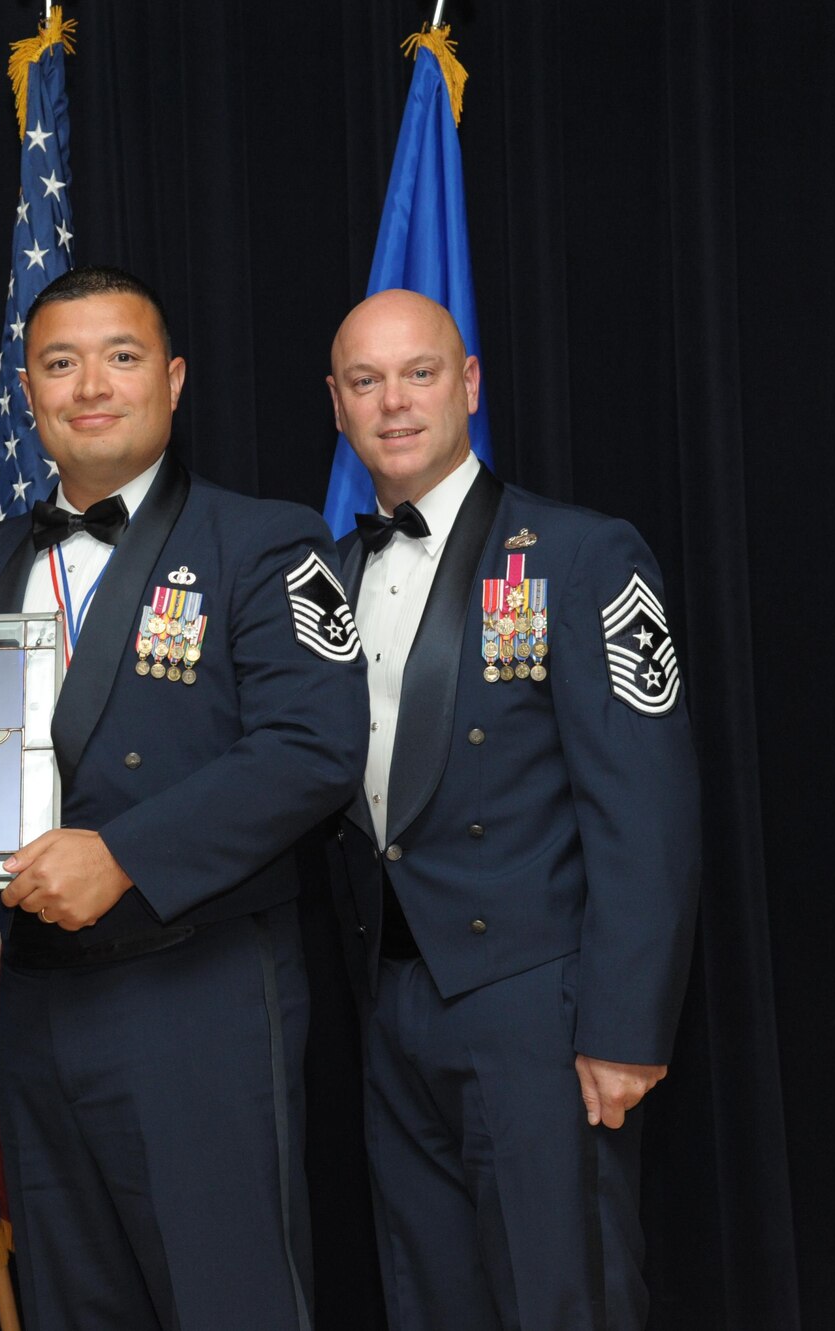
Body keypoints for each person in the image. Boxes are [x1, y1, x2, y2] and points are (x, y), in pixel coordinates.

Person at [0, 265, 369, 1329]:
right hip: (35, 1000)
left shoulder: (266, 541)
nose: (90, 383)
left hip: (200, 994)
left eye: (121, 356)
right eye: (58, 362)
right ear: (28, 392)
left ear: (173, 381)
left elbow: (312, 749)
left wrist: (125, 852)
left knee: (225, 1299)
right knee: (71, 1302)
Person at [322, 289, 700, 1330]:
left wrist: (625, 1024)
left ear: (469, 383)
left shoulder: (580, 555)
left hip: (540, 1006)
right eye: (365, 380)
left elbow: (646, 807)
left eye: (419, 373)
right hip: (388, 995)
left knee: (560, 1295)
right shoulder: (325, 576)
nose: (392, 402)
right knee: (428, 1294)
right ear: (336, 405)